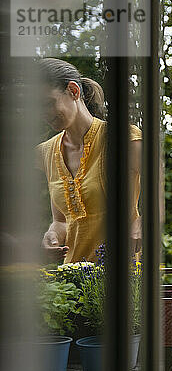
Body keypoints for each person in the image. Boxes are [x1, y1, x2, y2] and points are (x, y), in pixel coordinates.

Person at [37, 58, 142, 263]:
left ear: (74, 91)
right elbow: (60, 221)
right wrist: (52, 236)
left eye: (48, 103)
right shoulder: (46, 152)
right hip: (72, 282)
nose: (44, 114)